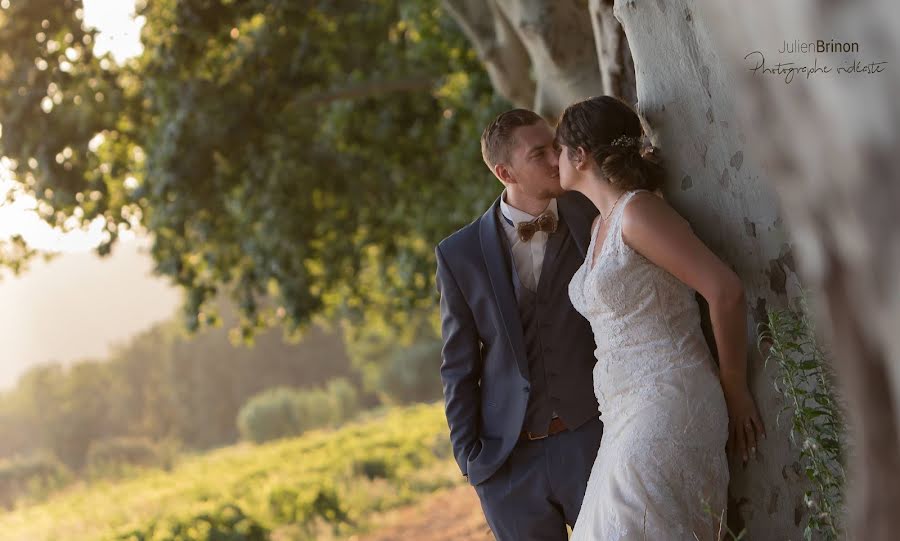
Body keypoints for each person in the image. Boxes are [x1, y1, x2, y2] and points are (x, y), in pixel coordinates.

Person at [558, 95, 766, 540]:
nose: (555, 159)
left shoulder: (638, 211)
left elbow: (724, 290)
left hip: (669, 401)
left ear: (579, 156)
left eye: (557, 149)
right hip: (621, 415)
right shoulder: (601, 225)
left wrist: (735, 388)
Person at [435, 108, 603, 540]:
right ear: (504, 171)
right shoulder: (460, 254)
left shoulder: (591, 215)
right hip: (508, 464)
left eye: (556, 147)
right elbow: (459, 366)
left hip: (592, 438)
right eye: (540, 153)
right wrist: (472, 463)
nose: (557, 159)